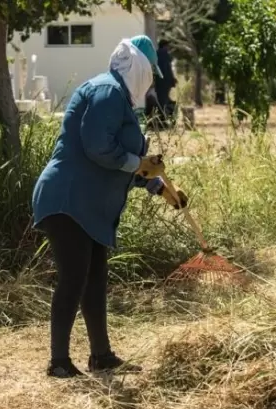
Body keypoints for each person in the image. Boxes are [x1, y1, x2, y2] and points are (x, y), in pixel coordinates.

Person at [31, 35, 190, 379]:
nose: (151, 83)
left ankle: (100, 355)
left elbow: (130, 166)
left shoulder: (122, 101)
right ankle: (58, 361)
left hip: (87, 206)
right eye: (150, 73)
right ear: (138, 67)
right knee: (74, 278)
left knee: (95, 279)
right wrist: (137, 163)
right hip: (68, 199)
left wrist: (164, 191)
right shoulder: (107, 92)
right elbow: (99, 148)